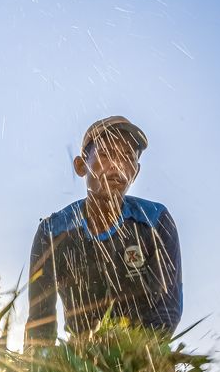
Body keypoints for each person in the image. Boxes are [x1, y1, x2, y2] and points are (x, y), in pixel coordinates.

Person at [24, 116, 182, 347]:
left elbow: (167, 308)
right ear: (81, 165)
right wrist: (36, 368)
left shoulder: (154, 221)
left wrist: (135, 354)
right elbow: (40, 320)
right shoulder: (52, 232)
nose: (118, 167)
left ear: (135, 172)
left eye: (128, 158)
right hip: (81, 358)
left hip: (142, 356)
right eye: (107, 154)